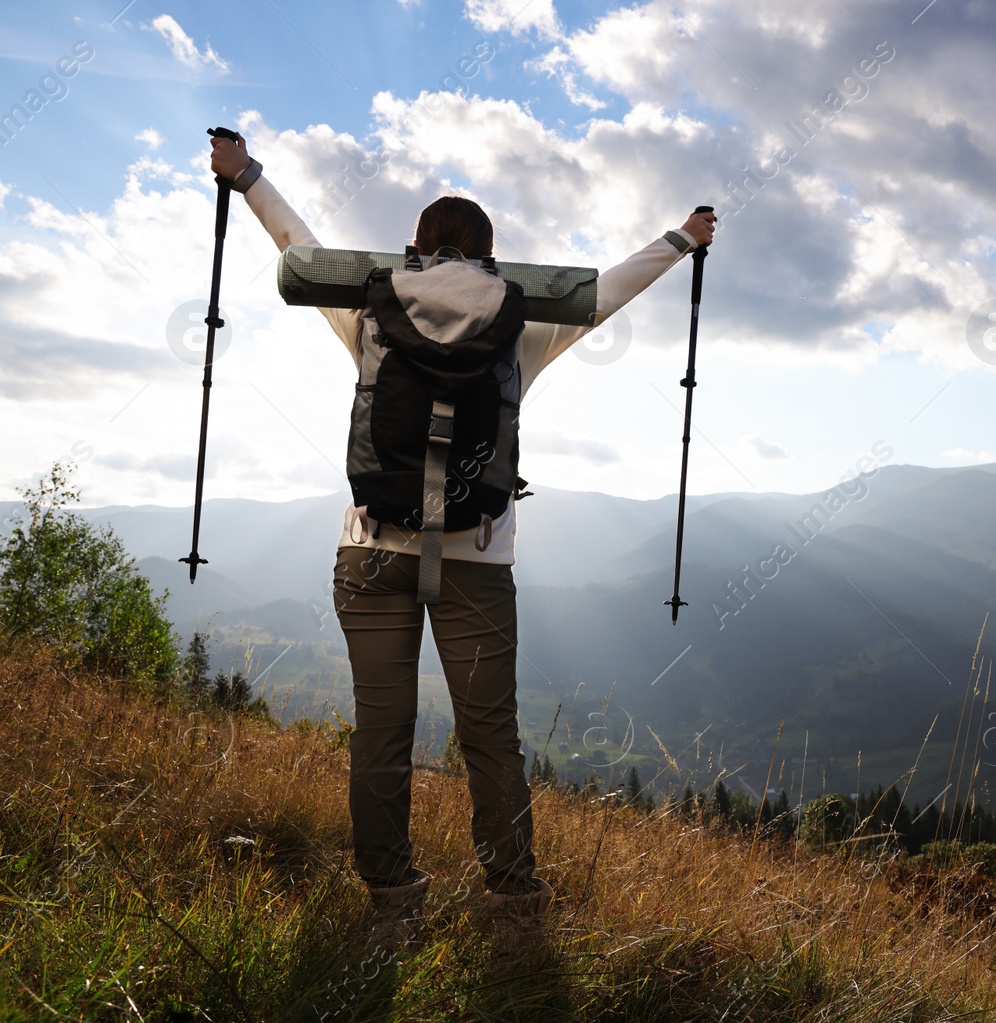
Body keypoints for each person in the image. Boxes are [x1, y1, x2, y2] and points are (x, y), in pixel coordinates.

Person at [208, 130, 713, 948]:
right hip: (477, 558)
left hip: (371, 548)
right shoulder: (517, 328)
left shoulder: (374, 312)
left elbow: (300, 246)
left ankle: (393, 906)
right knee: (489, 735)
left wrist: (248, 177)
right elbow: (609, 291)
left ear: (415, 247)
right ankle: (513, 910)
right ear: (492, 259)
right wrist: (681, 238)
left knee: (382, 730)